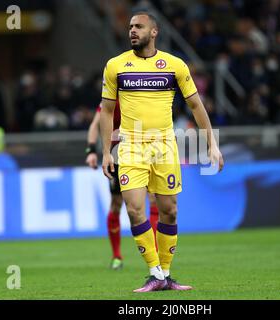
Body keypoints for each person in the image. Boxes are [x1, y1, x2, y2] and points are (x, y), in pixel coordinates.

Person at [99, 12, 224, 292]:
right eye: (130, 26)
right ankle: (154, 272)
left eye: (139, 27)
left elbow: (195, 105)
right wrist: (107, 151)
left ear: (154, 32)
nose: (132, 31)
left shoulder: (174, 65)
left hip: (164, 146)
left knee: (169, 211)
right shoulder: (115, 66)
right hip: (130, 146)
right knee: (134, 209)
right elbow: (107, 111)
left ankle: (165, 275)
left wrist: (212, 144)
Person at [85, 100, 159, 270]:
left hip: (145, 151)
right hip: (118, 156)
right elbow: (95, 125)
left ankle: (155, 254)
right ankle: (117, 256)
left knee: (154, 199)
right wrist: (90, 151)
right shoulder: (110, 98)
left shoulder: (139, 91)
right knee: (117, 204)